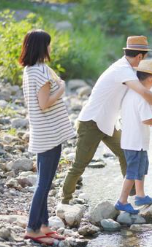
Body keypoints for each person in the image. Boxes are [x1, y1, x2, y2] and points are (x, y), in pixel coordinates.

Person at [61, 36, 152, 204]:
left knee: (124, 154)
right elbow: (144, 92)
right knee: (80, 164)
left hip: (107, 123)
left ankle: (136, 196)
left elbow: (127, 102)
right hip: (91, 122)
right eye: (144, 57)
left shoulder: (124, 69)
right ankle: (65, 200)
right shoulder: (123, 70)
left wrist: (150, 116)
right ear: (139, 56)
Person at [20, 29, 75, 246]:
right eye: (49, 44)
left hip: (43, 132)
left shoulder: (31, 69)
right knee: (44, 184)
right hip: (49, 133)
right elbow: (44, 103)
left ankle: (43, 226)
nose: (51, 48)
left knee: (45, 181)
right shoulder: (40, 71)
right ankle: (32, 228)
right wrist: (61, 88)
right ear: (42, 47)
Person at [115, 60, 152, 214]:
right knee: (132, 173)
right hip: (136, 142)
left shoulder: (131, 93)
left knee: (140, 169)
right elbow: (147, 120)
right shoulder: (145, 97)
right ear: (151, 79)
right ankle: (122, 201)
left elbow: (140, 115)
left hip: (131, 140)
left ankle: (140, 196)